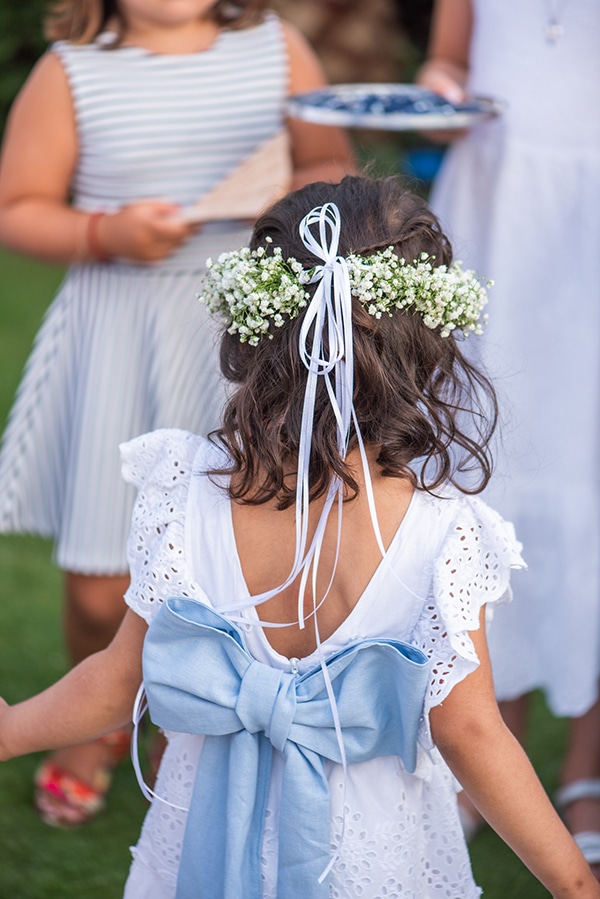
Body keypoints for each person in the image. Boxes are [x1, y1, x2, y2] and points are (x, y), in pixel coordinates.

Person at [1, 174, 599, 898]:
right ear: (427, 345)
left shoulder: (186, 491)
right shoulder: (444, 534)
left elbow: (118, 679)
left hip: (204, 837)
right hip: (368, 856)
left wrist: (10, 729)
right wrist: (573, 880)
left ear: (254, 333)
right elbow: (470, 731)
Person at [0, 0, 355, 828]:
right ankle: (97, 717)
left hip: (247, 339)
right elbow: (18, 205)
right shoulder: (72, 71)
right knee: (100, 578)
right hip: (119, 328)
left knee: (246, 552)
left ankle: (192, 720)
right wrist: (103, 229)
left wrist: (284, 193)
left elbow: (329, 164)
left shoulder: (278, 49)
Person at [416, 0, 600, 871]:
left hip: (588, 221)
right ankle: (490, 741)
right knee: (490, 453)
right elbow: (449, 62)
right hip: (496, 210)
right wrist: (441, 90)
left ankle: (587, 765)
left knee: (587, 462)